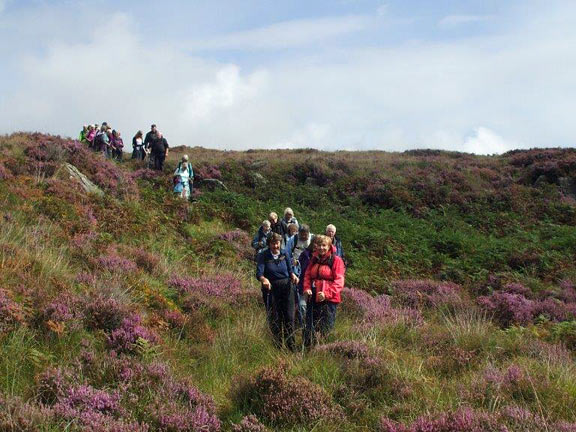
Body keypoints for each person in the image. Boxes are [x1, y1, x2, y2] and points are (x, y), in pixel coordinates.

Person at [256, 233, 299, 351]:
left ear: (280, 243)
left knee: (289, 317)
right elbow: (259, 273)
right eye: (273, 243)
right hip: (271, 288)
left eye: (277, 243)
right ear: (269, 244)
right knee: (275, 317)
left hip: (287, 287)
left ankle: (291, 346)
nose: (276, 246)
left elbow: (290, 270)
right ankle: (278, 346)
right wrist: (264, 279)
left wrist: (293, 275)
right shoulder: (263, 255)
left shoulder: (284, 253)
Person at [303, 235, 345, 347]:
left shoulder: (336, 260)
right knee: (311, 325)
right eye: (319, 245)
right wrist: (306, 288)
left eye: (324, 245)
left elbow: (339, 281)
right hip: (313, 297)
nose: (321, 248)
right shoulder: (314, 259)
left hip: (329, 300)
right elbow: (307, 275)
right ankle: (309, 348)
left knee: (326, 327)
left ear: (329, 246)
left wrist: (326, 294)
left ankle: (325, 350)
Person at [285, 224, 314, 327]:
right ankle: (299, 319)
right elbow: (287, 252)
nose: (303, 237)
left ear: (308, 233)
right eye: (301, 234)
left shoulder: (313, 238)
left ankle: (308, 320)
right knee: (298, 292)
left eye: (305, 235)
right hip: (296, 267)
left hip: (310, 267)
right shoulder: (294, 238)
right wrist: (291, 262)